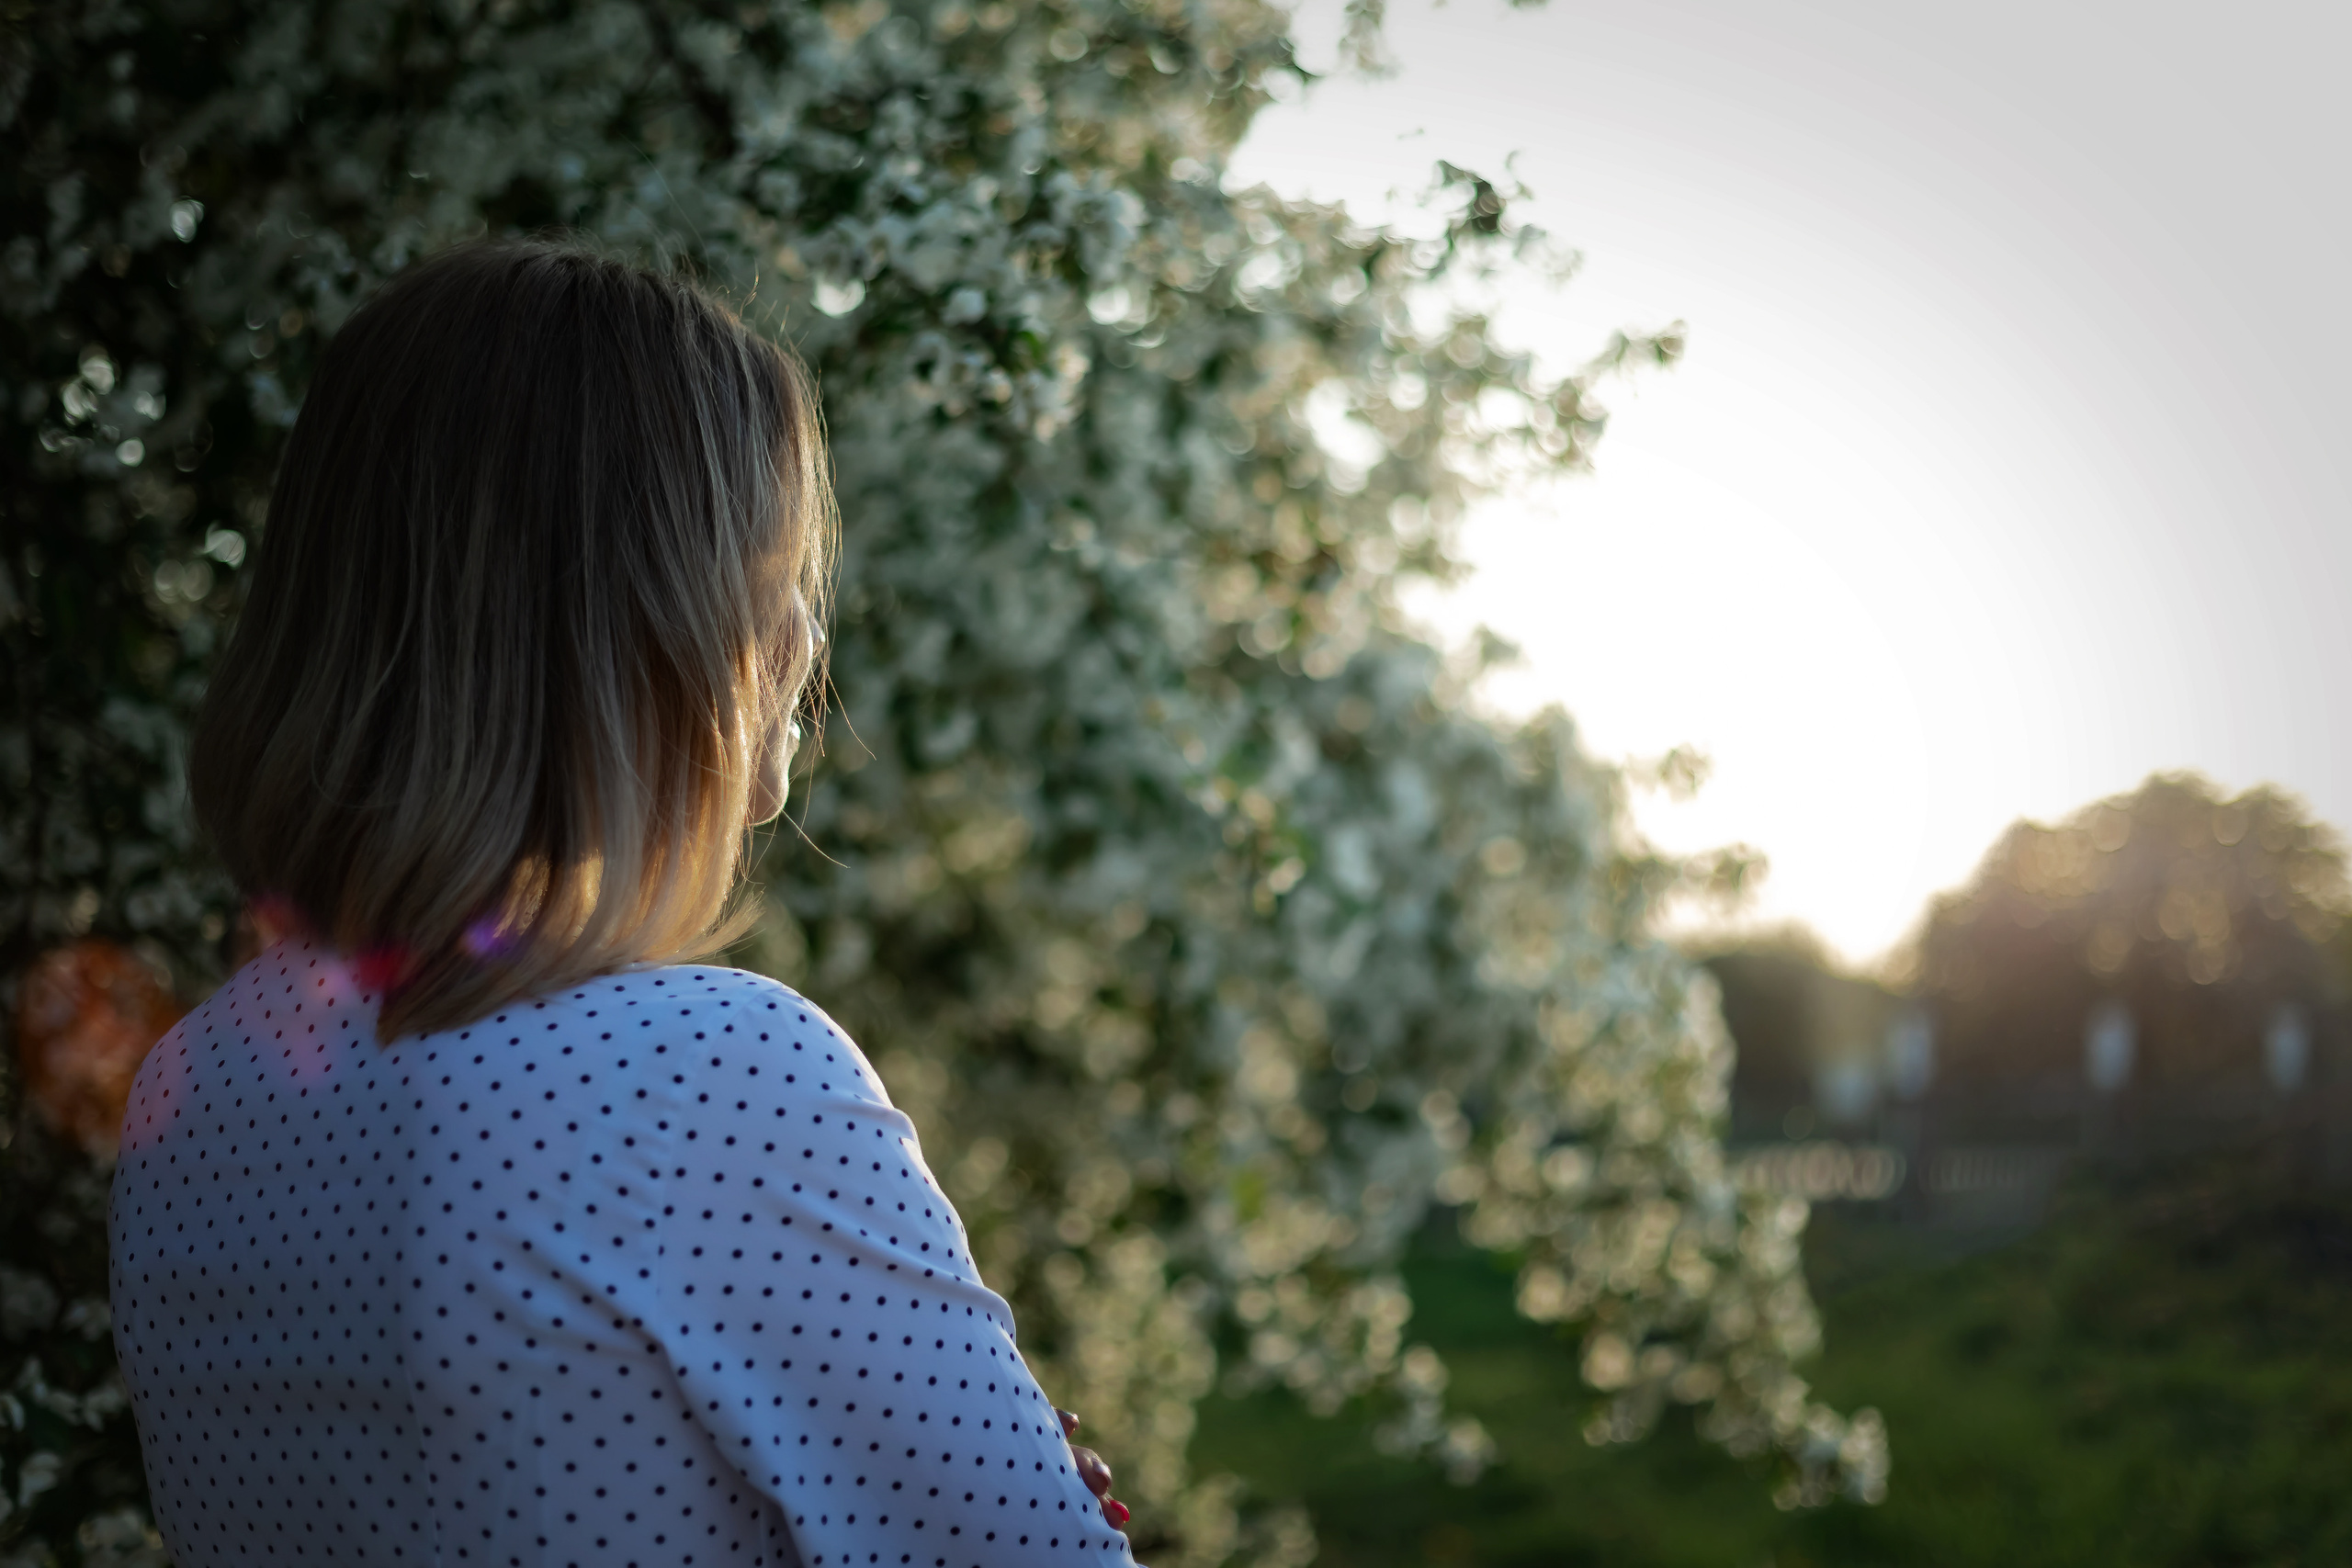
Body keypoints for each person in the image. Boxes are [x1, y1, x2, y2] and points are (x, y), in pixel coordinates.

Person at [107, 241, 1136, 1568]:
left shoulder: (195, 1094)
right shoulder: (703, 1079)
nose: (806, 638)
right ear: (644, 620)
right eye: (771, 569)